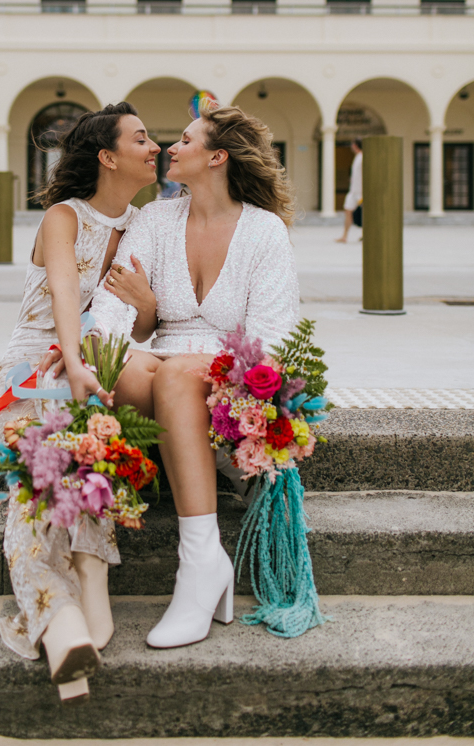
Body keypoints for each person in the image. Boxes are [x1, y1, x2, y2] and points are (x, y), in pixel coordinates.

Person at [84, 105, 300, 650]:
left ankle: (200, 564)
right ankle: (205, 558)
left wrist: (212, 373)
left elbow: (270, 344)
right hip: (160, 376)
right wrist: (97, 358)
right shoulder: (153, 220)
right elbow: (111, 307)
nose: (169, 149)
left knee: (177, 373)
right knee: (123, 366)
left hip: (229, 387)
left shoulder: (264, 232)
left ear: (217, 157)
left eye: (184, 141)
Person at [0, 103, 160, 704]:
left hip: (94, 367)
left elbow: (147, 324)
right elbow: (63, 289)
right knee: (39, 473)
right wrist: (72, 362)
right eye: (142, 137)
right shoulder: (62, 217)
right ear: (107, 156)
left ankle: (90, 582)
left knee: (89, 455)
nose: (155, 146)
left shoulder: (143, 225)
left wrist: (147, 304)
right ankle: (59, 623)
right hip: (33, 372)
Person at [336, 139, 363, 243]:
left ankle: (366, 234)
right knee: (348, 211)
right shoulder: (357, 157)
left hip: (361, 192)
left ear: (355, 145)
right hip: (353, 191)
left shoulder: (363, 157)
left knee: (365, 214)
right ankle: (344, 236)